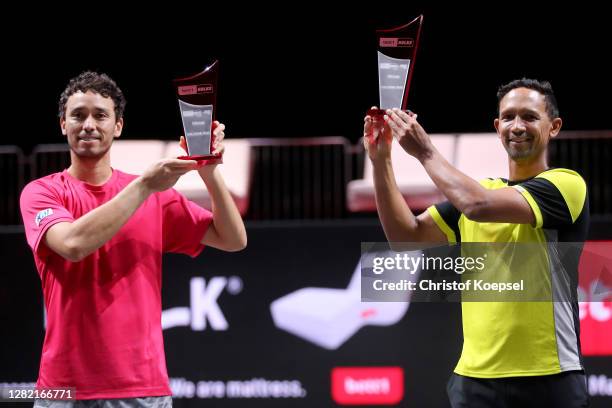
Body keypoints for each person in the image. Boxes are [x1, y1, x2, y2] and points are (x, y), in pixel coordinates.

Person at [20, 71, 247, 407]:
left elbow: (232, 239)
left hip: (142, 389)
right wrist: (143, 186)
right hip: (62, 390)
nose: (89, 125)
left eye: (100, 115)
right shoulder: (42, 192)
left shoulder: (155, 196)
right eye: (77, 115)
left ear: (118, 126)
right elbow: (72, 245)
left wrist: (208, 168)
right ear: (63, 125)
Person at [364, 78, 589, 407]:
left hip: (550, 378)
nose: (517, 126)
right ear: (497, 127)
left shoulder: (566, 185)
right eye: (508, 117)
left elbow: (478, 205)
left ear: (553, 127)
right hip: (474, 383)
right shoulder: (480, 189)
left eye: (529, 116)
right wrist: (381, 160)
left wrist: (424, 152)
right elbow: (405, 237)